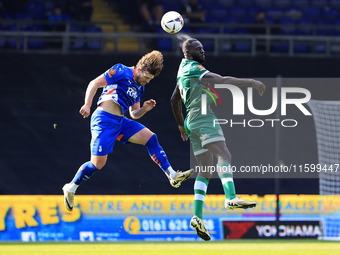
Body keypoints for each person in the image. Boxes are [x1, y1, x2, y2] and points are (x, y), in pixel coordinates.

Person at [62, 50, 193, 212]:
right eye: (146, 77)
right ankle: (71, 187)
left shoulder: (140, 87)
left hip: (120, 122)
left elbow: (134, 113)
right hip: (103, 120)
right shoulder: (120, 70)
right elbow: (94, 83)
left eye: (150, 80)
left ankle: (172, 175)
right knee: (97, 164)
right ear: (140, 69)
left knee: (151, 138)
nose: (147, 82)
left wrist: (144, 109)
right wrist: (87, 104)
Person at [170, 38, 266, 241]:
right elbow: (222, 80)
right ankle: (230, 198)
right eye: (199, 48)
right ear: (189, 52)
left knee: (205, 170)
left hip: (190, 120)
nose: (203, 51)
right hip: (203, 116)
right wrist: (251, 82)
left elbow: (174, 100)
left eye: (203, 48)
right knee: (224, 154)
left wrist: (181, 125)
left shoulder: (181, 70)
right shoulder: (194, 67)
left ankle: (197, 216)